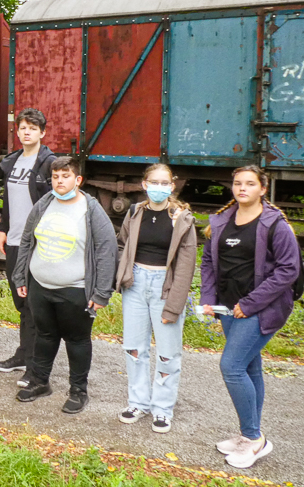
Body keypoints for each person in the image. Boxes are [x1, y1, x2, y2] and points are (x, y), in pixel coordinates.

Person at [200, 165, 300, 469]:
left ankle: (254, 439)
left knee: (231, 367)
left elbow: (288, 270)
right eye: (237, 183)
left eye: (250, 184)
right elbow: (208, 261)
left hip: (261, 308)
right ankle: (249, 435)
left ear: (262, 189)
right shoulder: (220, 221)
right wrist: (208, 299)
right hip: (229, 308)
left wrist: (251, 303)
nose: (242, 188)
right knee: (250, 367)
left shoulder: (274, 224)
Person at [11, 156, 116, 414]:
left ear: (78, 180)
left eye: (65, 176)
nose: (60, 181)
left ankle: (78, 390)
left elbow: (107, 249)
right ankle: (39, 382)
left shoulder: (90, 210)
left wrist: (101, 292)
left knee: (77, 340)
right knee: (44, 336)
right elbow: (27, 241)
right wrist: (21, 277)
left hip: (76, 289)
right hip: (40, 287)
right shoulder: (44, 204)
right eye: (55, 176)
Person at [115, 163, 198, 434]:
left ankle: (162, 409)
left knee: (167, 352)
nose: (159, 187)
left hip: (166, 285)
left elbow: (186, 266)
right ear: (144, 184)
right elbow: (122, 243)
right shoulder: (135, 211)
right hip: (136, 284)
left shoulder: (182, 217)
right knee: (135, 348)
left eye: (164, 183)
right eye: (154, 182)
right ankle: (138, 403)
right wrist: (123, 273)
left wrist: (173, 306)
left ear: (172, 186)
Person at [0, 108, 56, 385]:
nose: (26, 132)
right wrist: (3, 229)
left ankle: (34, 366)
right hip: (14, 241)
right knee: (21, 303)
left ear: (42, 132)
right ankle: (22, 354)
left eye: (32, 127)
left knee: (34, 304)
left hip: (36, 244)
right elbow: (8, 200)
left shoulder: (49, 164)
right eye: (22, 128)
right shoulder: (12, 162)